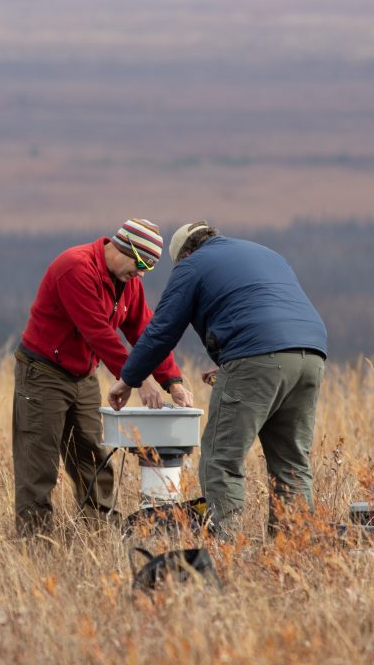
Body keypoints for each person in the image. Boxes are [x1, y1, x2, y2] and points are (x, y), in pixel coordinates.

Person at [108, 221, 327, 536]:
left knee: (220, 459)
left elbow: (161, 331)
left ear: (184, 254)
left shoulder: (191, 267)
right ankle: (297, 547)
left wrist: (128, 379)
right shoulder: (266, 254)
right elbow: (262, 309)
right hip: (310, 355)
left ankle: (228, 546)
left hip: (257, 356)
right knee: (291, 461)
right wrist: (231, 361)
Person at [13, 218, 191, 536]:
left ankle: (99, 533)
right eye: (140, 264)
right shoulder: (76, 268)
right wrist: (141, 380)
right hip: (43, 374)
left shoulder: (129, 283)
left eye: (147, 269)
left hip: (83, 376)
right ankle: (35, 542)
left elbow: (146, 332)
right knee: (38, 462)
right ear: (122, 246)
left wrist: (171, 381)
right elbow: (99, 334)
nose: (140, 274)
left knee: (93, 456)